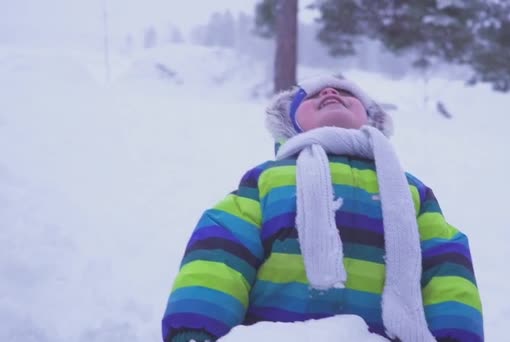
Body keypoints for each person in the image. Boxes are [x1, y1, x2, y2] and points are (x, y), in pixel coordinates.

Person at [162, 74, 484, 342]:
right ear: (290, 122)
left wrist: (456, 334)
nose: (330, 91)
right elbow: (222, 250)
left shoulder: (409, 189)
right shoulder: (268, 180)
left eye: (345, 92)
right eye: (313, 95)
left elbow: (445, 262)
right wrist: (196, 329)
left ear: (371, 117)